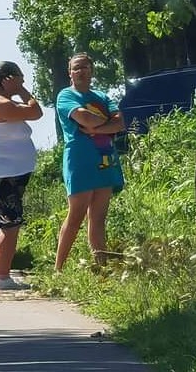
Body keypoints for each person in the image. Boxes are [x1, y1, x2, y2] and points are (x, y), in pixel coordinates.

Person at [54, 53, 126, 271]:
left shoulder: (102, 96)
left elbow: (119, 123)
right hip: (80, 161)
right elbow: (85, 118)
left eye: (85, 67)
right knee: (76, 215)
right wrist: (105, 122)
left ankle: (101, 267)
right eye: (76, 68)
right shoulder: (66, 95)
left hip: (105, 159)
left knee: (98, 217)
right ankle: (58, 269)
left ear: (92, 70)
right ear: (70, 73)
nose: (81, 71)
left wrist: (97, 127)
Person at [0, 61, 42, 289]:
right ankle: (3, 277)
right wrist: (21, 91)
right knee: (11, 226)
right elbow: (36, 112)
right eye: (19, 77)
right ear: (8, 79)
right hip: (4, 174)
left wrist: (15, 89)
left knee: (6, 224)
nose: (23, 81)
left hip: (6, 171)